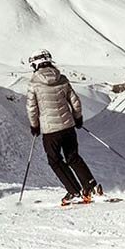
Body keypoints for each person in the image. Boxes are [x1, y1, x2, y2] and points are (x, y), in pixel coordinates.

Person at [26, 49, 99, 205]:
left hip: (50, 131)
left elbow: (32, 108)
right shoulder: (62, 79)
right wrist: (78, 118)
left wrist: (35, 126)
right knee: (73, 157)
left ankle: (74, 191)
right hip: (68, 127)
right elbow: (75, 101)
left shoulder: (34, 84)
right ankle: (90, 186)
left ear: (35, 64)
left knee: (55, 161)